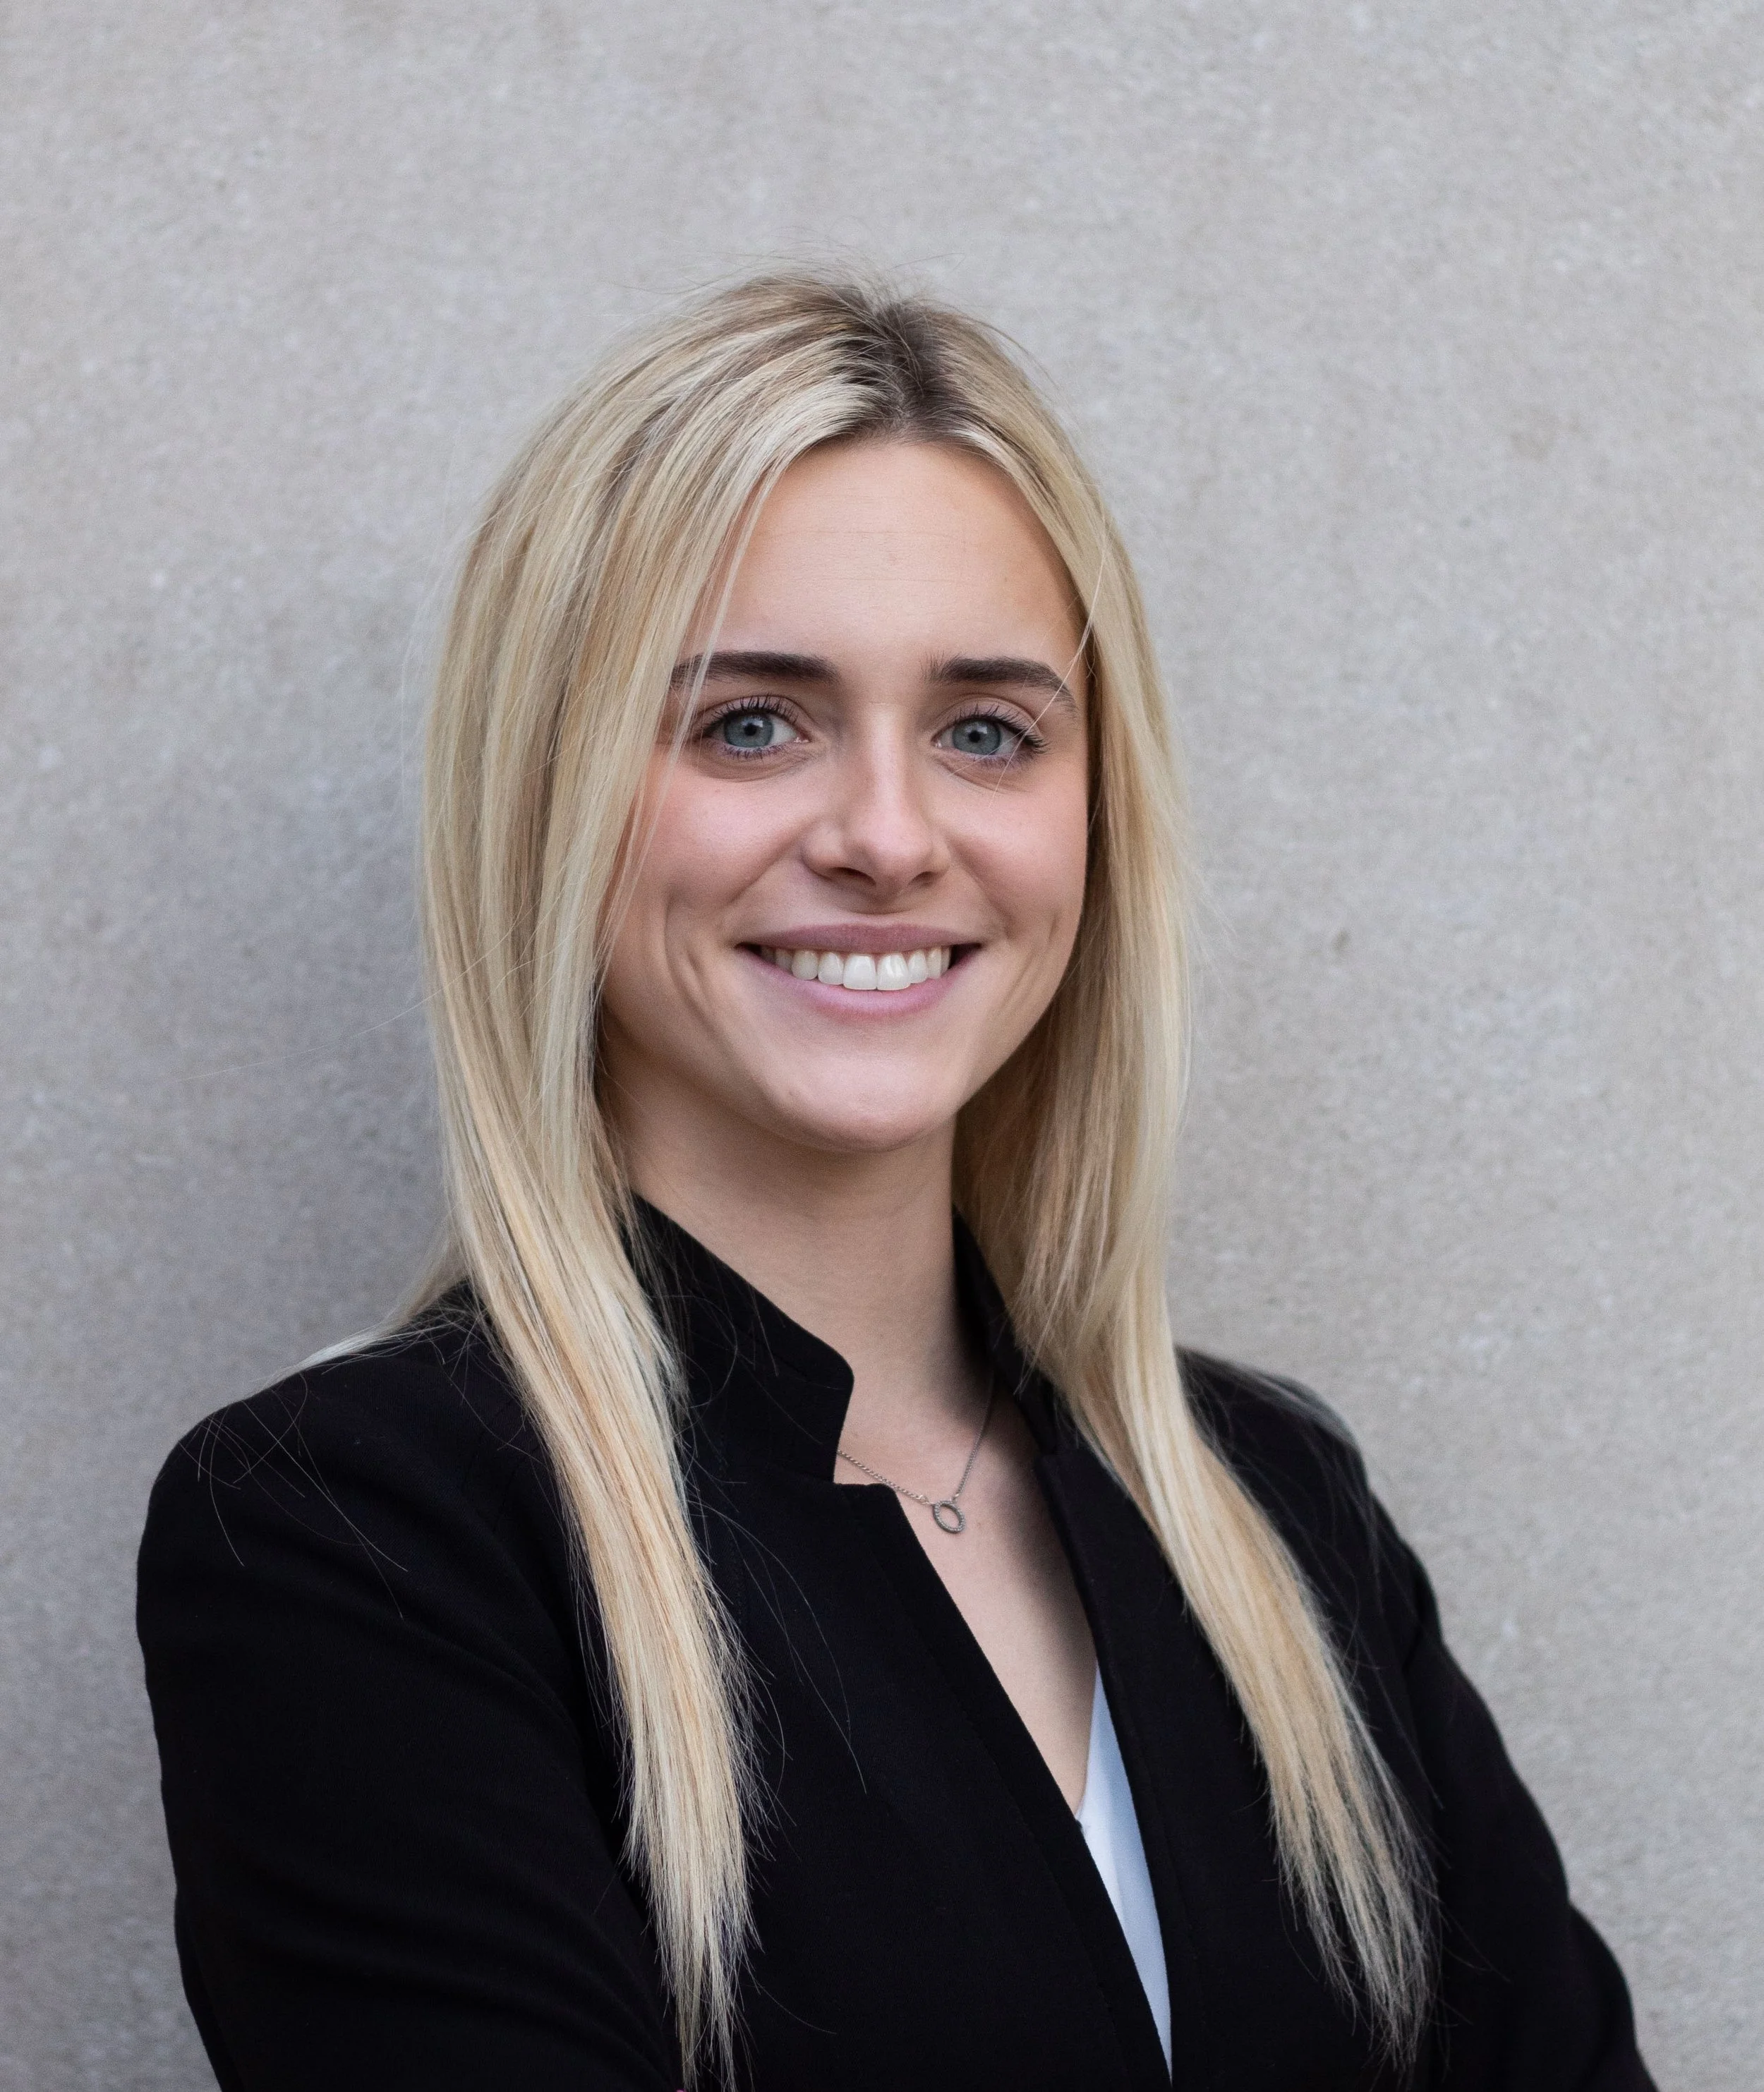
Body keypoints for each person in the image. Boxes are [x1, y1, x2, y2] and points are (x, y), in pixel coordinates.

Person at [137, 274, 1654, 2091]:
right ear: (550, 798)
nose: (885, 832)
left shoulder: (1277, 1515)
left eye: (988, 729)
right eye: (751, 723)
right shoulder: (362, 1532)